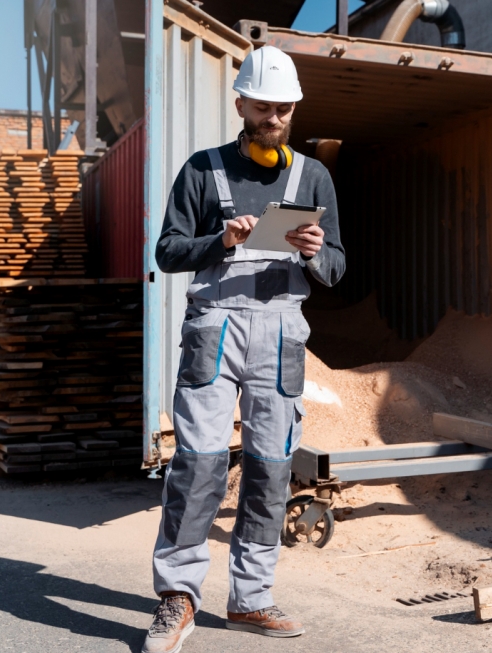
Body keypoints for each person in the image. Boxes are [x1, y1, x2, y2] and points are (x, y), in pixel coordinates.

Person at [142, 45, 345, 653]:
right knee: (199, 463)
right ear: (241, 104)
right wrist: (218, 239)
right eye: (264, 107)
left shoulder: (314, 176)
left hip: (281, 335)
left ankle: (250, 599)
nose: (275, 118)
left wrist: (313, 251)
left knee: (271, 469)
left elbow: (336, 268)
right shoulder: (203, 170)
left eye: (284, 109)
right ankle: (177, 598)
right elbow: (167, 252)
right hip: (217, 331)